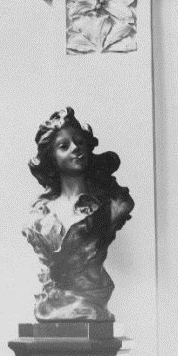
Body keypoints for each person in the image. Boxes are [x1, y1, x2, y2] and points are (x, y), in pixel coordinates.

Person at [23, 107, 133, 320]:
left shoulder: (113, 205)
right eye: (64, 146)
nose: (75, 148)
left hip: (92, 299)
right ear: (52, 158)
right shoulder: (39, 217)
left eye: (79, 142)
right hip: (52, 306)